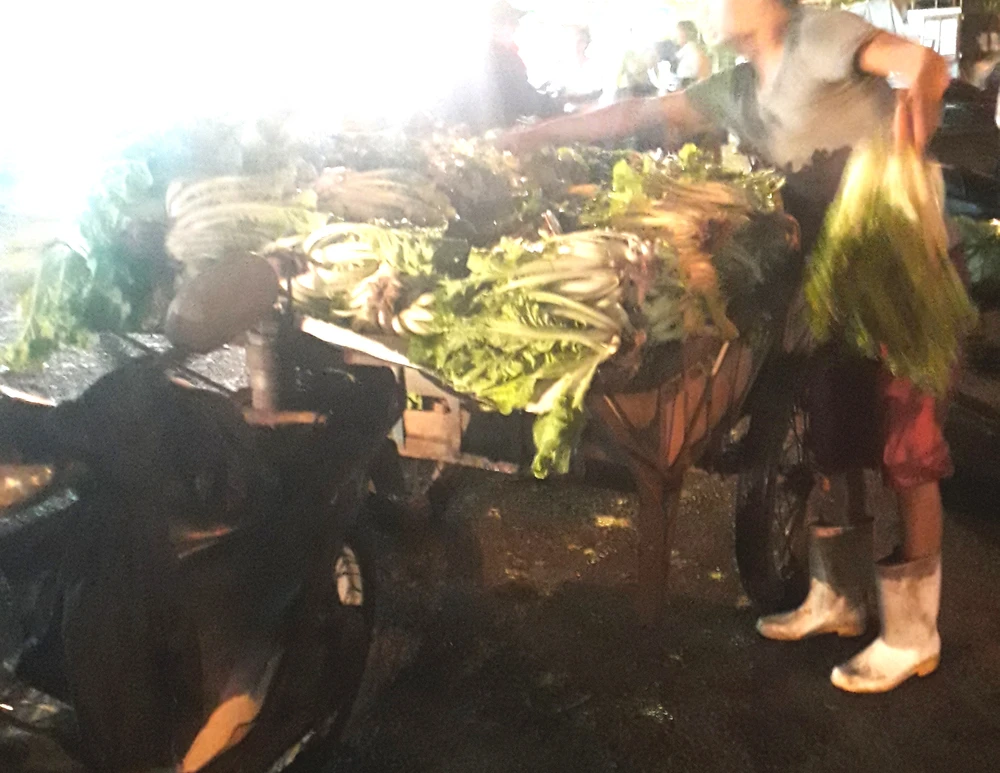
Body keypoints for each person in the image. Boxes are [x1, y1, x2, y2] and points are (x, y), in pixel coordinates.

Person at [502, 0, 953, 694]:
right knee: (830, 430)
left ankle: (914, 634)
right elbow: (639, 112)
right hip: (829, 277)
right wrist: (536, 133)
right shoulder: (739, 90)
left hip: (896, 261)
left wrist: (913, 124)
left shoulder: (820, 35)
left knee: (907, 446)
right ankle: (840, 598)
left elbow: (923, 64)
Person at [441, 1, 552, 131]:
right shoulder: (503, 58)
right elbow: (524, 99)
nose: (516, 27)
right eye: (512, 22)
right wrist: (557, 104)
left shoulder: (469, 55)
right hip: (497, 134)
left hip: (475, 134)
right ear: (494, 27)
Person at [674, 20, 712, 88]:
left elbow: (703, 81)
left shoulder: (693, 53)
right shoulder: (686, 54)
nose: (676, 36)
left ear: (683, 33)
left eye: (677, 32)